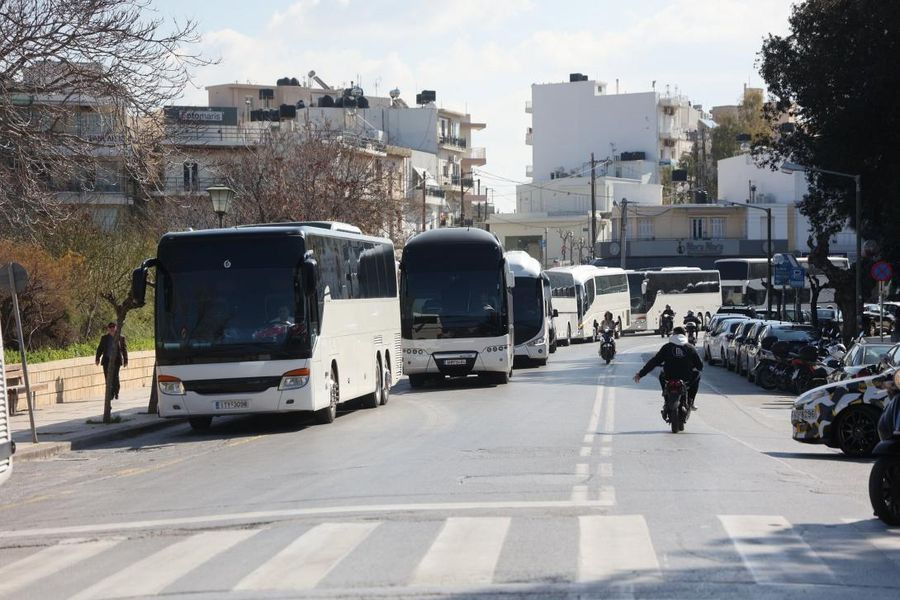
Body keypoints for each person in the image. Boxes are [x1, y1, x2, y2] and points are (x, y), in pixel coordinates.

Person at [633, 326, 703, 411]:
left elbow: (654, 361)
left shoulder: (667, 347)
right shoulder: (690, 348)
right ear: (684, 335)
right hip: (686, 377)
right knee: (698, 374)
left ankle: (666, 399)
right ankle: (691, 401)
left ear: (673, 335)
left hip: (669, 376)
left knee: (661, 375)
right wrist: (694, 366)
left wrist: (640, 374)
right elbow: (700, 365)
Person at [95, 322, 128, 400]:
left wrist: (126, 360)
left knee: (115, 377)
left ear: (116, 328)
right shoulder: (104, 338)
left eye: (113, 327)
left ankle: (116, 392)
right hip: (106, 360)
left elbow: (124, 350)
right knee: (107, 377)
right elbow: (100, 349)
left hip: (116, 360)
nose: (112, 329)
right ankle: (110, 393)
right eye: (110, 327)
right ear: (108, 329)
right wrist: (97, 358)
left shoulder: (121, 338)